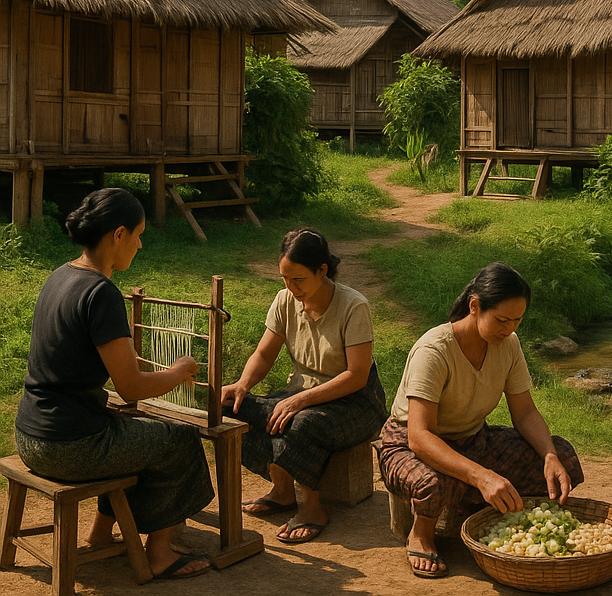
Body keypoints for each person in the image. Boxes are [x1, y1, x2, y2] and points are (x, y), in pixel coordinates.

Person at [14, 188, 214, 581]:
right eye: (138, 235)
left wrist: (132, 360)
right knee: (179, 442)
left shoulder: (61, 276)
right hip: (69, 447)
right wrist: (179, 370)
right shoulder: (101, 293)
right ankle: (159, 553)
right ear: (118, 235)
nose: (139, 245)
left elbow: (75, 351)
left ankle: (102, 533)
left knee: (128, 435)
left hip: (30, 435)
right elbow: (132, 389)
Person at [377, 262, 584, 579]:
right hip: (408, 444)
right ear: (474, 307)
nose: (510, 329)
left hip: (473, 439)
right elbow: (420, 436)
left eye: (517, 321)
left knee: (564, 456)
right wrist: (482, 476)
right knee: (436, 481)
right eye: (502, 320)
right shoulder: (434, 351)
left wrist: (550, 456)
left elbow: (525, 412)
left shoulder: (508, 345)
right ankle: (420, 532)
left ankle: (485, 513)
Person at [222, 228, 388, 544]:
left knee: (299, 422)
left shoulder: (354, 306)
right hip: (304, 392)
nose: (291, 287)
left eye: (298, 279)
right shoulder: (285, 300)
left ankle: (313, 509)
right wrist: (242, 384)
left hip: (357, 402)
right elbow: (264, 353)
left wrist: (299, 401)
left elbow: (356, 375)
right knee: (230, 408)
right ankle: (283, 492)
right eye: (285, 278)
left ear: (322, 270)